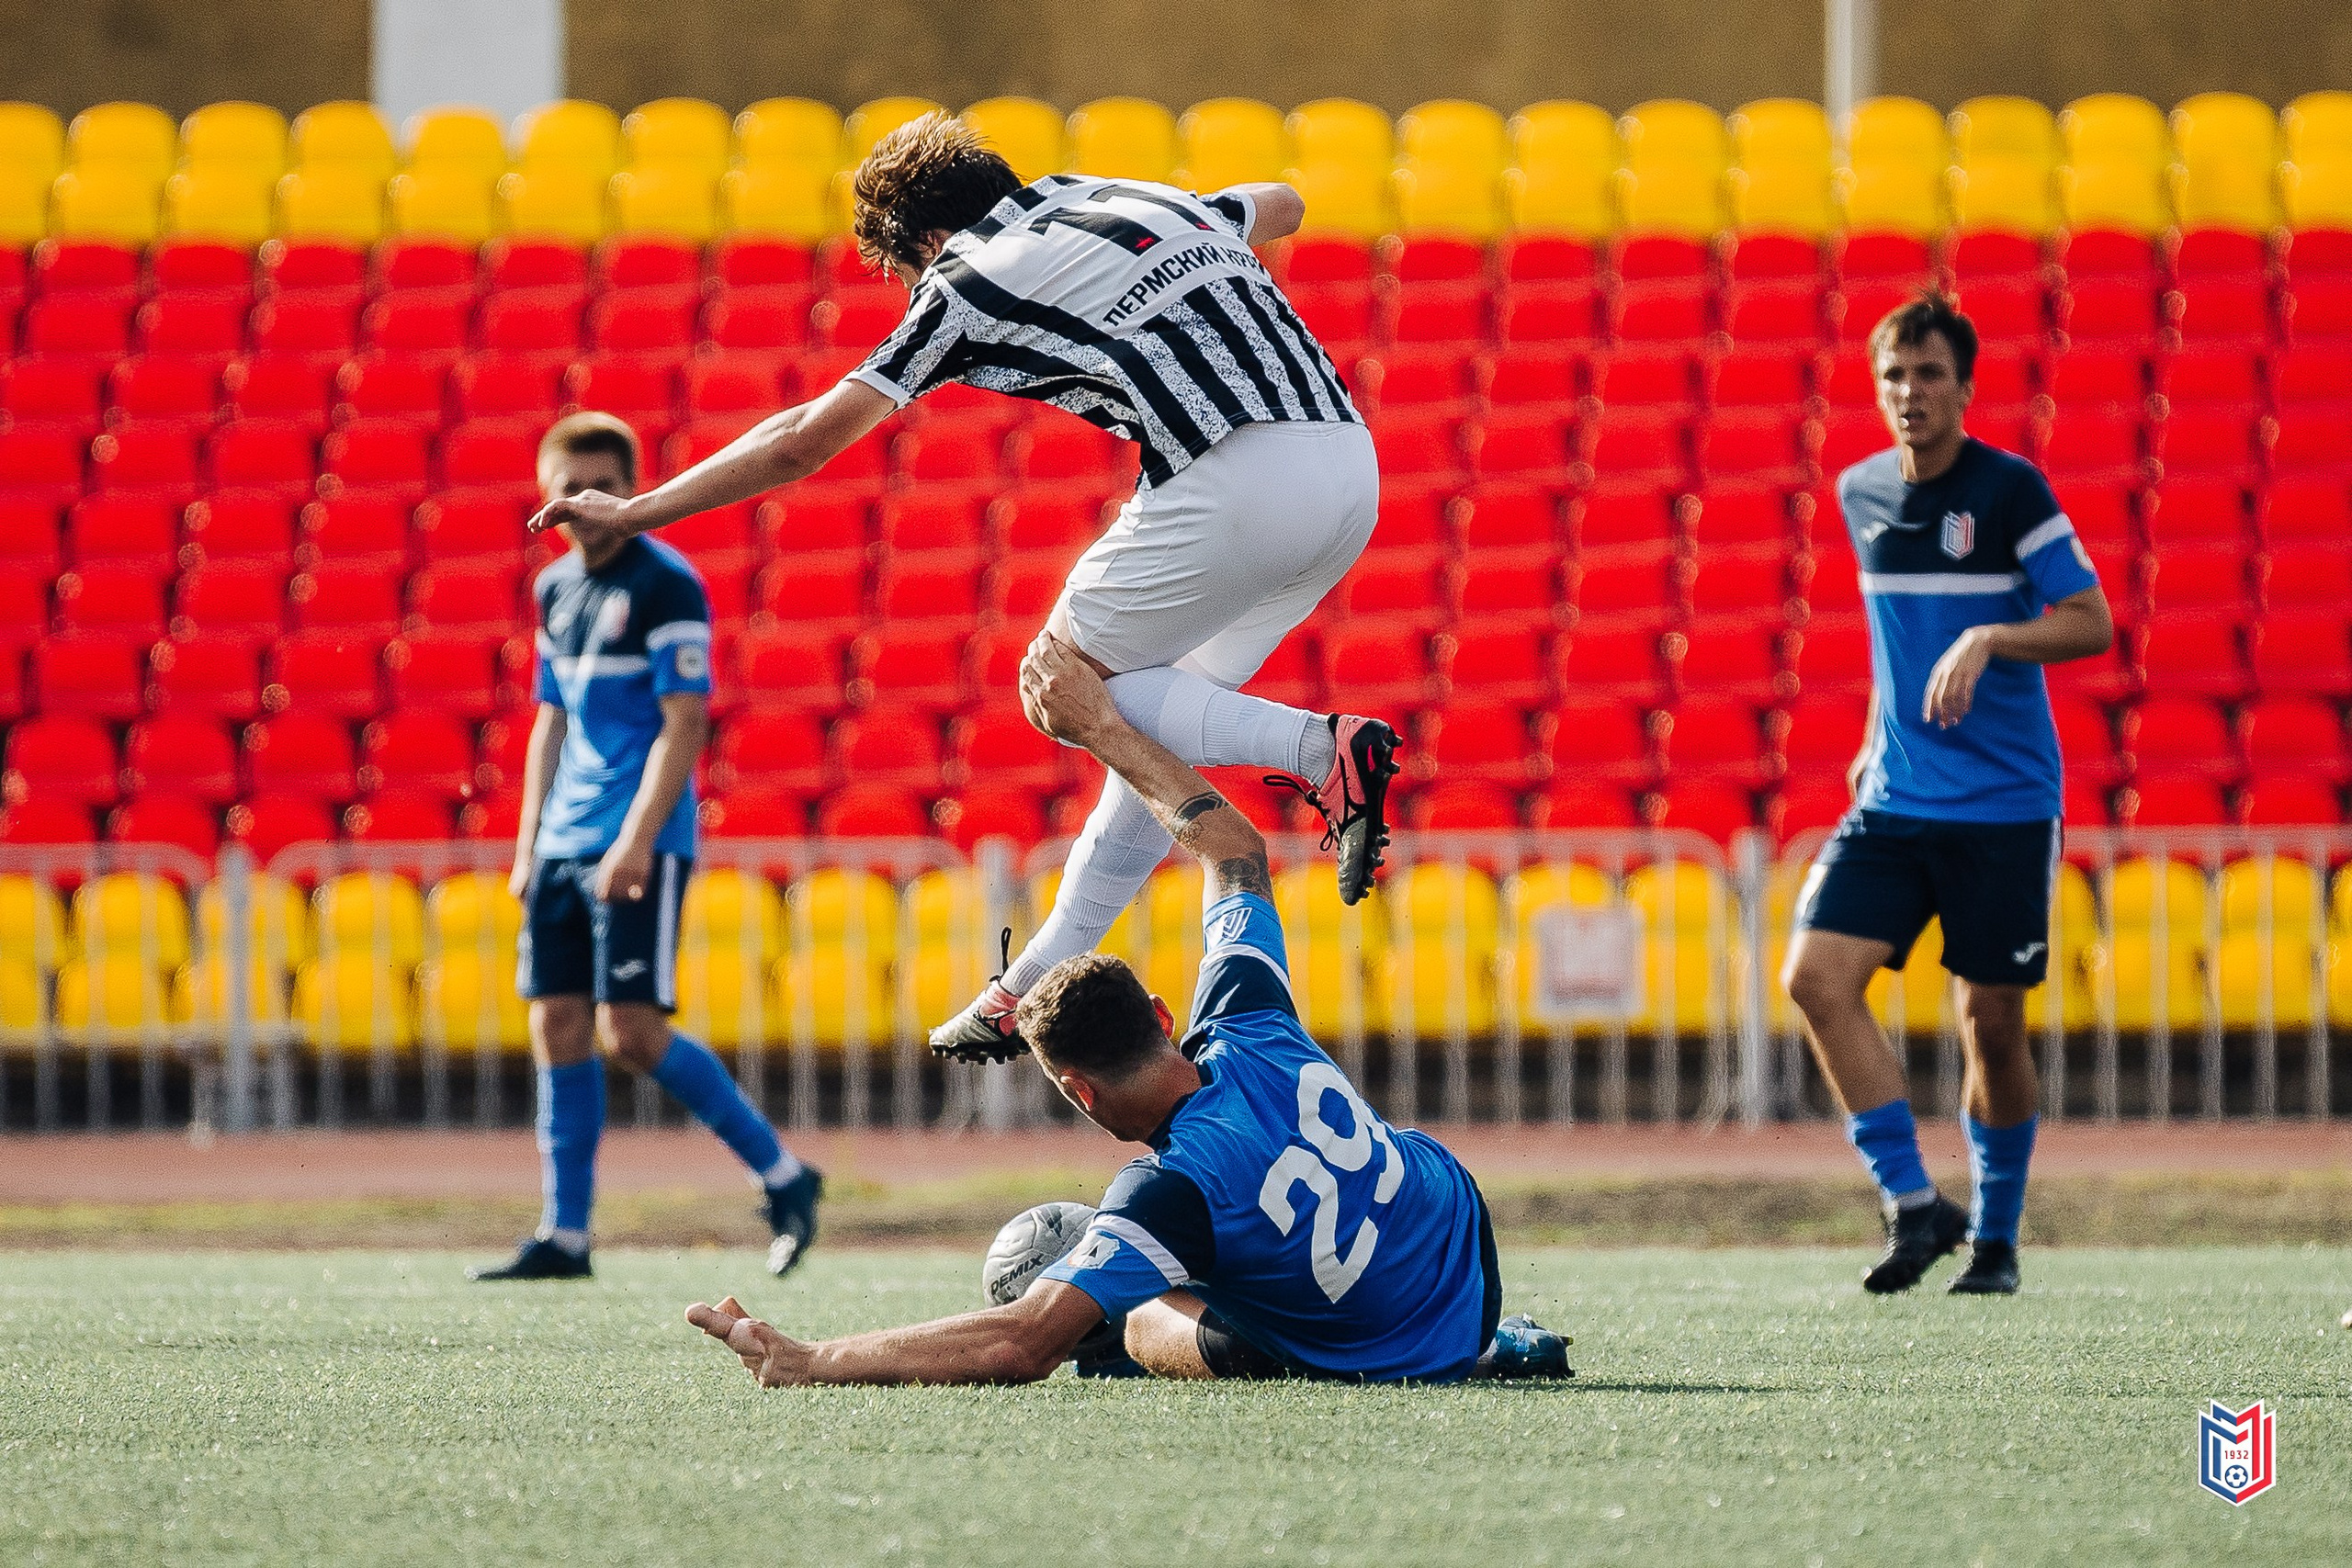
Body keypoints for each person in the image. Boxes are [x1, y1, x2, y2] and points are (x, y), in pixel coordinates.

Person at [524, 112, 1400, 1065]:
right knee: (1141, 727)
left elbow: (802, 440)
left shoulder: (963, 280)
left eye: (898, 274)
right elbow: (1283, 202)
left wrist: (636, 510)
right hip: (1347, 464)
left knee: (1064, 684)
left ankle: (1318, 750)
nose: (906, 292)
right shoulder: (1123, 196)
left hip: (1233, 479)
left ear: (921, 241)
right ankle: (1029, 984)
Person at [684, 632, 1570, 1386]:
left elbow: (1019, 1344)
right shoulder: (1244, 1017)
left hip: (1389, 1346)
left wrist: (809, 1357)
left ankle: (1127, 1296)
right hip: (1462, 1246)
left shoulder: (1163, 1189)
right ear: (1157, 1009)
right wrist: (1103, 728)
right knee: (1342, 1192)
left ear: (1081, 1092)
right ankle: (1483, 1334)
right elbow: (1235, 851)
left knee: (1149, 1314)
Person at [1781, 296, 2113, 1297]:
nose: (1909, 393)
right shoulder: (1859, 493)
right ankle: (1915, 1205)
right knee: (1814, 980)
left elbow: (2090, 621)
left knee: (1991, 1023)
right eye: (1894, 375)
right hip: (1893, 800)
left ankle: (1999, 1237)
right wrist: (1870, 742)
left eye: (1928, 375)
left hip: (2006, 808)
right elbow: (1898, 648)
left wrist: (1991, 637)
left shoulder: (2010, 493)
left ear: (1963, 387)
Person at [470, 413, 824, 1282]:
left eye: (605, 485)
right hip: (561, 840)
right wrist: (527, 843)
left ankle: (783, 1175)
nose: (586, 502)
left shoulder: (667, 585)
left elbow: (684, 723)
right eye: (570, 486)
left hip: (637, 839)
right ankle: (565, 1234)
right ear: (545, 497)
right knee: (555, 1023)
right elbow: (550, 721)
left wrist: (633, 841)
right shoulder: (555, 590)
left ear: (631, 490)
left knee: (629, 1032)